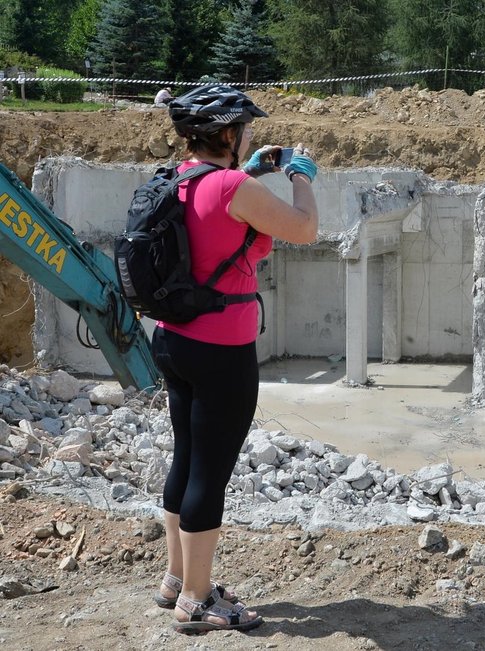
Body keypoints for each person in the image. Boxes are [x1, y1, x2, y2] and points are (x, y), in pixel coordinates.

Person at [152, 84, 319, 634]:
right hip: (221, 350)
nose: (249, 133)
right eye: (243, 127)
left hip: (174, 340)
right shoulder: (231, 185)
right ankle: (198, 601)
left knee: (187, 457)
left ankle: (176, 577)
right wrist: (300, 175)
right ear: (227, 134)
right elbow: (304, 228)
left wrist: (249, 173)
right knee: (210, 473)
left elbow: (215, 221)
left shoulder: (180, 178)